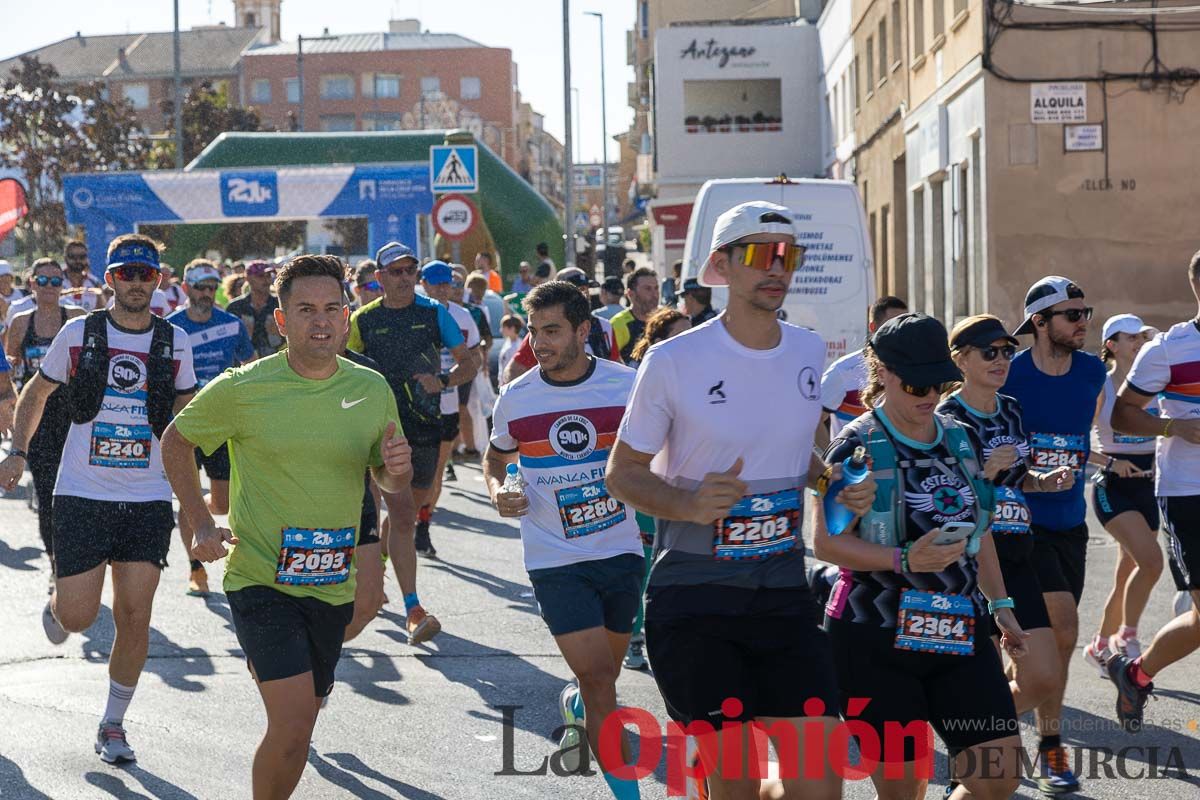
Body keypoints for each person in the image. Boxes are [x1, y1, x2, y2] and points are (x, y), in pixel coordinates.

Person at [608, 201, 861, 799]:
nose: (777, 268)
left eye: (788, 256)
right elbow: (623, 475)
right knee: (737, 785)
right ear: (720, 264)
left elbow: (792, 450)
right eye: (758, 254)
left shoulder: (806, 351)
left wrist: (829, 482)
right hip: (696, 599)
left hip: (782, 597)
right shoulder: (674, 361)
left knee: (821, 785)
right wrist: (689, 504)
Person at [162, 254, 410, 799]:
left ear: (347, 316)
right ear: (281, 321)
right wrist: (200, 518)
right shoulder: (244, 387)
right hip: (260, 580)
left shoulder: (372, 389)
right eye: (305, 310)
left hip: (331, 584)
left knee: (302, 726)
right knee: (294, 723)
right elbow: (176, 441)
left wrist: (397, 471)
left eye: (331, 308)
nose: (320, 321)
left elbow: (387, 482)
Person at [0, 233, 196, 764]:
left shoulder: (174, 343)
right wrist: (17, 450)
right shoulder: (78, 333)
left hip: (149, 497)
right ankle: (58, 601)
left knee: (135, 614)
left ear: (157, 281)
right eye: (126, 273)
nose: (136, 282)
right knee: (80, 618)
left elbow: (188, 423)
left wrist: (192, 501)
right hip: (83, 491)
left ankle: (113, 723)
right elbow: (35, 393)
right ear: (109, 279)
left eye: (146, 274)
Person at [817, 312, 1027, 800]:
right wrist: (905, 559)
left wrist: (1001, 607)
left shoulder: (960, 437)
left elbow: (982, 531)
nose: (930, 395)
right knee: (905, 789)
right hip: (874, 637)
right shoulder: (852, 449)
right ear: (883, 372)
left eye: (939, 382)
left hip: (959, 628)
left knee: (997, 776)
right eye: (916, 384)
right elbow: (827, 543)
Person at [485, 281, 644, 800]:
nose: (539, 344)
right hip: (554, 556)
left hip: (621, 548)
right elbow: (495, 457)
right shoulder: (518, 396)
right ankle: (629, 794)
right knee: (601, 679)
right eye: (534, 332)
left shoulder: (628, 387)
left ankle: (578, 705)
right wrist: (498, 489)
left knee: (605, 675)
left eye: (552, 331)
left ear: (583, 330)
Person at [938, 314, 1070, 731]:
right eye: (989, 352)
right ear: (960, 360)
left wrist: (1042, 482)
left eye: (1007, 352)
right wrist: (984, 473)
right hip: (973, 558)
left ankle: (978, 732)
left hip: (1019, 549)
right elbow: (941, 494)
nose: (1001, 360)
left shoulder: (1010, 409)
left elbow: (1018, 477)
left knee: (1044, 676)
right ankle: (976, 764)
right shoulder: (946, 416)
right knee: (987, 678)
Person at [1002, 275, 1105, 793]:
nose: (1082, 322)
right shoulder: (1011, 375)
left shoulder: (1092, 371)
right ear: (1039, 323)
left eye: (1085, 312)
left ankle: (1021, 735)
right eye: (1071, 315)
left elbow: (1097, 431)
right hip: (1019, 525)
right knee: (1061, 628)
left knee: (1049, 650)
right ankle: (1046, 749)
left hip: (1070, 524)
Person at [348, 241, 477, 642]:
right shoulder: (362, 320)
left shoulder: (435, 314)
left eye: (410, 271)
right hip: (374, 430)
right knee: (386, 515)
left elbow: (470, 361)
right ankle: (410, 606)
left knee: (408, 509)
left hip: (422, 426)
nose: (404, 278)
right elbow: (342, 369)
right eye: (396, 271)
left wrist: (442, 380)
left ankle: (380, 571)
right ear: (380, 277)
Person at [1108, 250, 1200, 733]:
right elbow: (1124, 414)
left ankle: (1135, 673)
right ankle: (1136, 671)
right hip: (1190, 492)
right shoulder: (1167, 349)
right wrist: (1173, 427)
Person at [165, 259, 256, 596]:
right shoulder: (170, 326)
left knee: (221, 502)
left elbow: (249, 369)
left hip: (221, 425)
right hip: (183, 422)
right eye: (200, 287)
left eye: (211, 287)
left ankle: (193, 505)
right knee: (192, 505)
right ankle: (195, 568)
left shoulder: (231, 324)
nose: (206, 293)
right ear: (186, 286)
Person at [1082, 314, 1163, 675]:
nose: (1138, 341)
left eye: (1142, 336)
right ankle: (1125, 638)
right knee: (1150, 561)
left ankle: (1099, 644)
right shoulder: (1102, 385)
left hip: (1150, 486)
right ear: (1111, 345)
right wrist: (1111, 462)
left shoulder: (1154, 383)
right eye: (1131, 337)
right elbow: (1075, 441)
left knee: (1126, 575)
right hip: (1113, 486)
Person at [619, 306, 691, 672]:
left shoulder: (701, 375)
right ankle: (633, 637)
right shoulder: (641, 378)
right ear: (659, 342)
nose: (689, 342)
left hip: (687, 488)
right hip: (650, 486)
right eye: (679, 335)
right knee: (646, 567)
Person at [4, 258, 85, 576]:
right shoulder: (23, 321)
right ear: (32, 284)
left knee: (76, 488)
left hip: (75, 415)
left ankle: (77, 551)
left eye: (56, 281)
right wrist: (9, 408)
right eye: (43, 281)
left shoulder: (77, 318)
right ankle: (56, 560)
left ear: (63, 285)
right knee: (48, 488)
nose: (50, 287)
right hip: (37, 417)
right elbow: (8, 370)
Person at [421, 262, 480, 524]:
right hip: (415, 407)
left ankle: (423, 524)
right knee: (414, 474)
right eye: (437, 283)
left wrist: (448, 380)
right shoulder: (413, 313)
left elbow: (475, 357)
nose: (443, 288)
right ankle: (408, 524)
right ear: (423, 284)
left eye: (447, 283)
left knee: (435, 473)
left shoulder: (463, 316)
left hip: (447, 405)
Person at [818, 295, 909, 449]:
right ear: (873, 327)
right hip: (856, 470)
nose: (899, 332)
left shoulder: (913, 368)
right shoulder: (843, 370)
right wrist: (829, 465)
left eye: (904, 325)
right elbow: (814, 422)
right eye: (891, 325)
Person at [503, 267, 620, 384]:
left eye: (585, 289)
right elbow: (514, 370)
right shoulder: (541, 334)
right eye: (576, 290)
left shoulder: (605, 326)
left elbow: (617, 368)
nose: (583, 295)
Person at [227, 260, 283, 358]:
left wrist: (280, 332)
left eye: (269, 276)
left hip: (275, 361)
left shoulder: (280, 304)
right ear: (248, 278)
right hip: (244, 364)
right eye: (260, 276)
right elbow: (227, 341)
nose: (266, 280)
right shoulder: (236, 307)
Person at [610, 267, 660, 364]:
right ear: (630, 294)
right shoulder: (618, 324)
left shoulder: (667, 320)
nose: (655, 294)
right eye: (648, 289)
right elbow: (609, 362)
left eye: (656, 288)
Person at [62, 239, 105, 310]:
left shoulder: (95, 283)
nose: (78, 261)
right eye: (72, 257)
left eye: (82, 257)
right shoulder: (55, 281)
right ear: (65, 258)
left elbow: (101, 311)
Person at [497, 314, 524, 381]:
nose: (501, 330)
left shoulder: (516, 347)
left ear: (512, 328)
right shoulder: (508, 342)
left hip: (509, 384)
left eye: (503, 327)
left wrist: (504, 382)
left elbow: (513, 370)